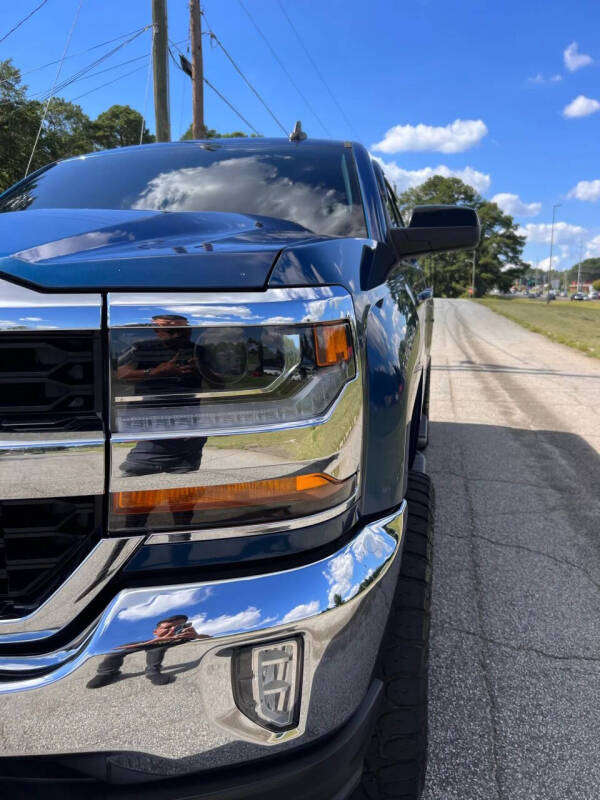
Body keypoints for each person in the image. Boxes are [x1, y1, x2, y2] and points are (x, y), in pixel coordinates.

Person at [87, 614, 205, 689]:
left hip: (162, 643)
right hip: (151, 641)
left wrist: (197, 635)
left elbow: (208, 638)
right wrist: (161, 639)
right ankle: (107, 673)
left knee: (157, 648)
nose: (174, 630)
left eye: (180, 626)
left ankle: (152, 672)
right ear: (155, 632)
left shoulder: (186, 636)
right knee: (119, 650)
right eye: (168, 628)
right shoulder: (149, 638)